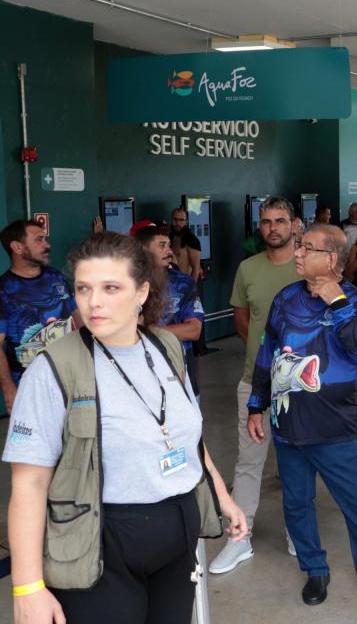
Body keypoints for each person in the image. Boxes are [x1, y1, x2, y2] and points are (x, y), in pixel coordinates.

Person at [3, 231, 246, 624]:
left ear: (141, 292)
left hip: (177, 535)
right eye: (83, 288)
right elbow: (29, 483)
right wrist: (27, 587)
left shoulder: (166, 348)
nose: (93, 302)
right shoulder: (53, 369)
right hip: (100, 542)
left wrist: (222, 497)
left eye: (111, 288)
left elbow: (188, 439)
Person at [247, 224, 357, 610]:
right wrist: (256, 405)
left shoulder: (356, 301)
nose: (296, 253)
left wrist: (337, 302)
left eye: (305, 247)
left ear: (331, 259)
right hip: (288, 426)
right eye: (298, 246)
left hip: (334, 429)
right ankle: (314, 568)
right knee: (297, 503)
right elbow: (267, 352)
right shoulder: (285, 298)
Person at [210, 197, 301, 574]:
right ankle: (240, 537)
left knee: (298, 461)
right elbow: (244, 320)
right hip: (255, 383)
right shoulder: (248, 268)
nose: (273, 228)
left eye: (280, 220)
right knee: (249, 461)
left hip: (300, 386)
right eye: (266, 222)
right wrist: (264, 360)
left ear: (294, 224)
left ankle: (300, 531)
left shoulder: (306, 265)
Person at [0, 219, 78, 413]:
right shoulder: (4, 290)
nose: (47, 245)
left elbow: (76, 314)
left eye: (45, 239)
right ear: (18, 247)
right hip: (29, 387)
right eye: (39, 240)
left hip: (70, 378)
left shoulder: (55, 277)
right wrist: (9, 389)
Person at [133, 222, 205, 397]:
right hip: (140, 375)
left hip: (181, 372)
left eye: (169, 245)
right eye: (162, 245)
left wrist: (146, 331)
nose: (169, 251)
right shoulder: (127, 283)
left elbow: (194, 330)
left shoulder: (183, 283)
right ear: (143, 249)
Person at [169, 207, 202, 280]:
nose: (178, 223)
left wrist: (191, 286)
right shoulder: (168, 238)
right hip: (169, 283)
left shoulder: (191, 240)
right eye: (175, 219)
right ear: (171, 220)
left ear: (186, 222)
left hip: (184, 283)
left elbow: (196, 269)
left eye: (181, 220)